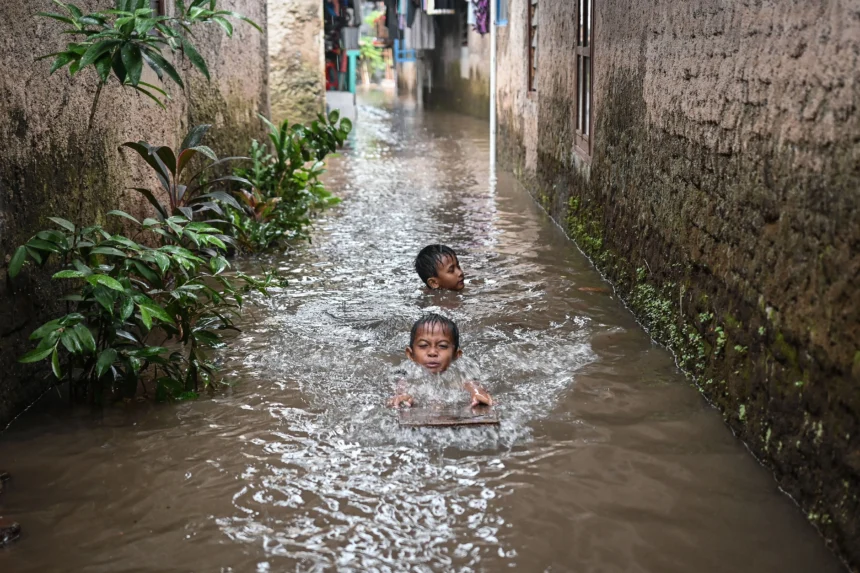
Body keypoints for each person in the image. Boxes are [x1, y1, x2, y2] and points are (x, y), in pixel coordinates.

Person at [388, 314, 493, 408]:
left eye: (442, 346)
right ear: (411, 354)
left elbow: (471, 383)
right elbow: (401, 386)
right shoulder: (406, 371)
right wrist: (402, 395)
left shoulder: (461, 370)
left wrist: (477, 392)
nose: (432, 352)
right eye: (423, 345)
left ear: (456, 355)